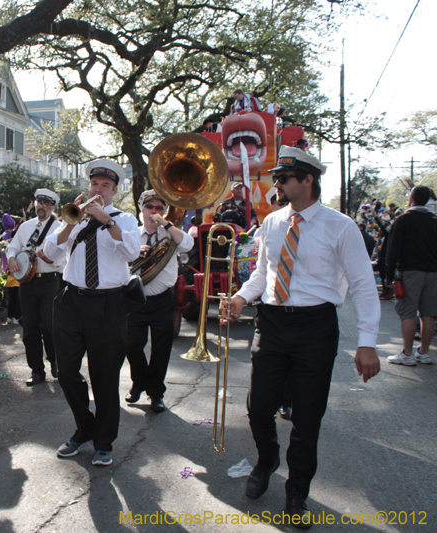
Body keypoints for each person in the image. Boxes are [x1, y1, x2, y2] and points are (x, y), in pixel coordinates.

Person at [220, 146, 380, 527]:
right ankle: (266, 459)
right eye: (276, 177)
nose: (276, 183)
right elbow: (264, 274)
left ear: (308, 180)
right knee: (258, 407)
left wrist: (368, 341)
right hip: (272, 323)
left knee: (307, 420)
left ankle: (297, 492)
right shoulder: (272, 223)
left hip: (315, 327)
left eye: (284, 178)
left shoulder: (341, 226)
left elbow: (362, 285)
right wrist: (242, 297)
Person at [43, 159, 141, 467]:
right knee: (66, 371)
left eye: (105, 186)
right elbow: (48, 252)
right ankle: (85, 426)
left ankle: (103, 440)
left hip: (109, 303)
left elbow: (132, 252)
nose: (98, 190)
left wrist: (106, 221)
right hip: (72, 300)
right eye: (94, 184)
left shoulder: (125, 220)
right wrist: (71, 223)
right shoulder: (74, 218)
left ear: (114, 190)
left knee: (104, 376)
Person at [125, 190, 194, 412]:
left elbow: (188, 245)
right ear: (141, 210)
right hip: (135, 299)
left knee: (161, 349)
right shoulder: (131, 233)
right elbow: (119, 259)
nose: (153, 212)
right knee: (132, 346)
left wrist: (166, 224)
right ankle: (139, 382)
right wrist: (136, 252)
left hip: (163, 299)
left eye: (158, 208)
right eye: (149, 207)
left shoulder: (170, 234)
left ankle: (156, 393)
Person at [6, 188, 66, 386]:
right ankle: (36, 370)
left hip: (50, 280)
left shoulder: (60, 227)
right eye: (40, 203)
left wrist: (50, 260)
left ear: (52, 207)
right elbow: (12, 247)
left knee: (49, 326)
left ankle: (56, 361)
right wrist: (12, 259)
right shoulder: (25, 227)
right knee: (30, 327)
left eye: (47, 204)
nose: (42, 207)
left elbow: (66, 257)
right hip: (28, 282)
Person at [384, 185, 437, 366]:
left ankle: (407, 354)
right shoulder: (434, 220)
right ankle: (424, 352)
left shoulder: (403, 220)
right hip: (433, 273)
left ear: (411, 199)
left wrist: (389, 276)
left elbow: (393, 250)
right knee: (428, 314)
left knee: (408, 312)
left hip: (410, 272)